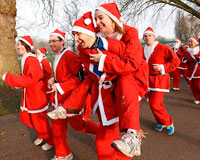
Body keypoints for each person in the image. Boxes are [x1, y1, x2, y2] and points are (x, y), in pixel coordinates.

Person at [90, 2, 149, 157]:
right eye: (95, 19)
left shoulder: (130, 32)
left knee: (125, 76)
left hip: (133, 80)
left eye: (101, 18)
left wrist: (103, 61)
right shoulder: (97, 36)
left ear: (112, 18)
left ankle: (133, 134)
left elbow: (131, 63)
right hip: (109, 86)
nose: (97, 22)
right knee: (106, 136)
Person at [47, 29, 99, 160]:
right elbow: (64, 75)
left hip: (70, 99)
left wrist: (60, 86)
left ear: (62, 41)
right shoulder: (57, 56)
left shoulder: (69, 55)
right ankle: (62, 154)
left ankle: (105, 132)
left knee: (78, 126)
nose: (51, 44)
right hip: (58, 99)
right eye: (50, 41)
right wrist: (54, 79)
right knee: (57, 128)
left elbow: (80, 78)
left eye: (54, 41)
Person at [1, 35, 54, 150]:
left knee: (39, 120)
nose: (18, 46)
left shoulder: (31, 59)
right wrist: (18, 84)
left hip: (36, 94)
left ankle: (50, 140)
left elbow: (30, 79)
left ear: (27, 46)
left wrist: (8, 78)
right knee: (25, 117)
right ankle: (41, 134)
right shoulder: (26, 58)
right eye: (18, 44)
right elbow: (26, 77)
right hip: (30, 93)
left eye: (21, 44)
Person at [142, 27, 180, 135]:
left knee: (155, 104)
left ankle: (168, 122)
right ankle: (160, 121)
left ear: (154, 36)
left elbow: (176, 61)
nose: (147, 38)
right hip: (147, 80)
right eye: (145, 36)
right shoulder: (141, 49)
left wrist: (162, 67)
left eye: (150, 35)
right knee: (155, 104)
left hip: (160, 80)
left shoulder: (163, 48)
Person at [182, 37, 200, 104]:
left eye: (191, 42)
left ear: (196, 43)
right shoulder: (187, 51)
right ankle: (198, 98)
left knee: (198, 85)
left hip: (198, 70)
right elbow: (183, 60)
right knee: (192, 86)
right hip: (190, 71)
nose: (190, 43)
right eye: (189, 42)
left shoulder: (199, 50)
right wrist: (184, 60)